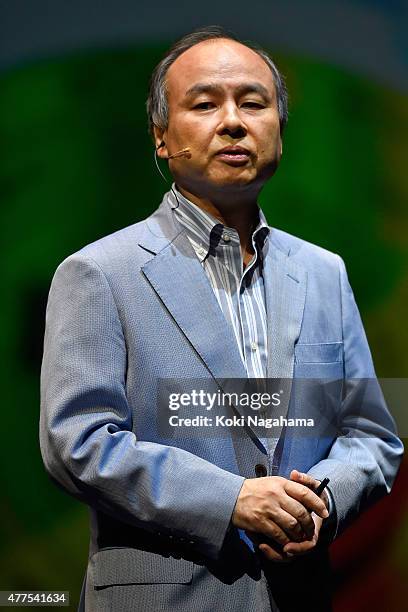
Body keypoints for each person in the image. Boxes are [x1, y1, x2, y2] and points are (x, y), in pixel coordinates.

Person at [39, 26, 403, 612]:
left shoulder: (323, 271)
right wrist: (231, 500)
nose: (233, 122)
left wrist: (322, 504)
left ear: (280, 129)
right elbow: (76, 442)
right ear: (162, 136)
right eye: (205, 104)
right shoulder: (98, 272)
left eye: (254, 103)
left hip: (297, 595)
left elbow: (372, 434)